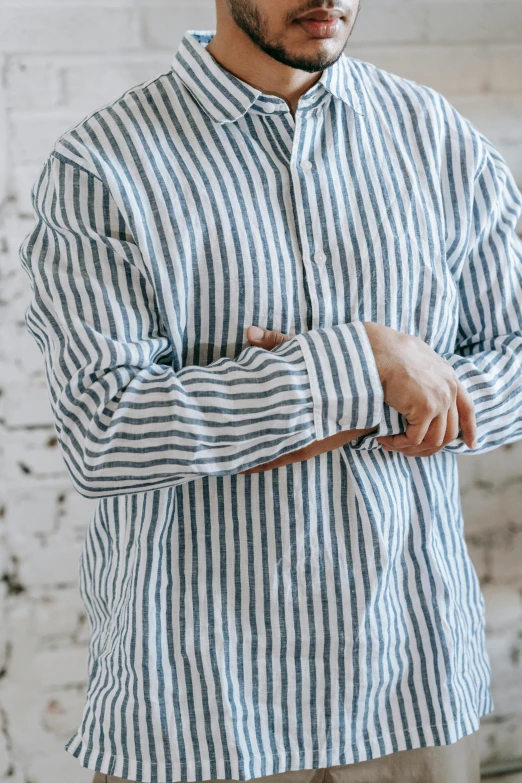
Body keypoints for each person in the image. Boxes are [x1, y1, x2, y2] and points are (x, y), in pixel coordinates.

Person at [19, 0, 522, 781]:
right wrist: (365, 359)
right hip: (197, 713)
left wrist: (373, 391)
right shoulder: (102, 165)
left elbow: (517, 358)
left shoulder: (433, 134)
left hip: (410, 691)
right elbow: (106, 430)